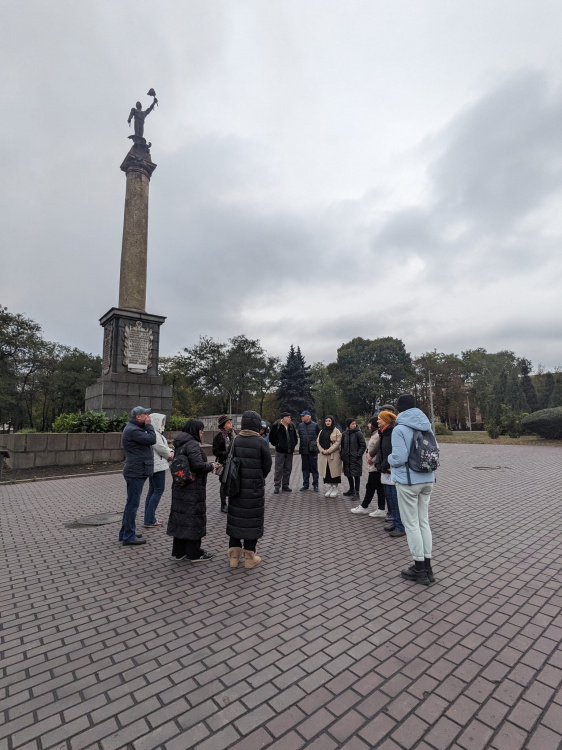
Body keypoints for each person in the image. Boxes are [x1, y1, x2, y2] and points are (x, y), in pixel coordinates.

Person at [388, 394, 437, 586]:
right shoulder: (426, 425)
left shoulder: (400, 429)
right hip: (427, 478)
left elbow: (399, 458)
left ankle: (419, 569)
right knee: (424, 522)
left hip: (409, 482)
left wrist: (389, 460)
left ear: (399, 409)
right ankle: (428, 568)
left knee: (412, 525)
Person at [167, 419, 218, 563]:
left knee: (181, 518)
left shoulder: (180, 443)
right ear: (194, 430)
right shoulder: (193, 444)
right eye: (201, 430)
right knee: (193, 518)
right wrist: (211, 465)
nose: (202, 433)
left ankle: (179, 551)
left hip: (180, 486)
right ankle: (194, 553)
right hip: (193, 488)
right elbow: (198, 465)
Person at [227, 410, 273, 569]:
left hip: (236, 489)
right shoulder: (261, 442)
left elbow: (228, 460)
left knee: (235, 520)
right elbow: (267, 466)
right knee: (252, 522)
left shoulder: (235, 441)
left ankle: (233, 557)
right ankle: (249, 558)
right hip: (254, 490)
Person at [120, 406, 157, 546]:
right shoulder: (134, 430)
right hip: (135, 472)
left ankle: (125, 532)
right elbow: (152, 439)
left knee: (131, 504)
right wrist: (149, 425)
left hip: (136, 471)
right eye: (145, 414)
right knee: (133, 505)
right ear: (138, 417)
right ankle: (128, 536)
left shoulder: (133, 428)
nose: (148, 416)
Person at [375, 410, 406, 538]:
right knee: (390, 498)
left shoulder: (393, 432)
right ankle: (395, 522)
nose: (377, 421)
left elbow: (394, 452)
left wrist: (385, 464)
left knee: (395, 498)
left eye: (379, 419)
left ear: (386, 421)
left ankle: (400, 526)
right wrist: (378, 463)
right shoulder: (383, 433)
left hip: (393, 470)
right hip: (385, 471)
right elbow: (381, 450)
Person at [350, 415, 385, 515]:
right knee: (379, 488)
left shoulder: (378, 436)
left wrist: (371, 459)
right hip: (373, 467)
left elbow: (379, 451)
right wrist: (367, 454)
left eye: (370, 424)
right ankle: (381, 508)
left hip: (375, 467)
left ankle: (364, 506)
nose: (368, 425)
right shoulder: (374, 435)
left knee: (370, 487)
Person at [143, 413, 173, 527]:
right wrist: (170, 454)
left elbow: (163, 447)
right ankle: (149, 519)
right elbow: (161, 448)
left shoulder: (155, 434)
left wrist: (169, 451)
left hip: (155, 465)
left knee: (152, 491)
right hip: (158, 466)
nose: (162, 424)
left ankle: (149, 517)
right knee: (158, 490)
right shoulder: (154, 434)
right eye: (160, 422)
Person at [269, 412, 298, 494]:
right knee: (279, 469)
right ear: (283, 418)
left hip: (289, 451)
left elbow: (295, 437)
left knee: (288, 468)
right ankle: (277, 486)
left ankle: (285, 485)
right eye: (288, 417)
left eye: (290, 417)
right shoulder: (276, 426)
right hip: (280, 451)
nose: (290, 419)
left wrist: (293, 444)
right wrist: (277, 444)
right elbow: (272, 437)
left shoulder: (291, 426)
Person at [212, 415, 236, 513]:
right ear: (223, 425)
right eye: (228, 422)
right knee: (224, 482)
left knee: (234, 481)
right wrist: (225, 454)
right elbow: (215, 451)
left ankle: (233, 503)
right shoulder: (219, 437)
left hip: (234, 462)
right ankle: (223, 504)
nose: (230, 424)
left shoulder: (234, 434)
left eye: (231, 422)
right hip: (224, 462)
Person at [317, 415, 343, 497]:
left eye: (329, 421)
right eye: (326, 421)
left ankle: (335, 488)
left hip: (333, 455)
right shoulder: (322, 431)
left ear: (332, 422)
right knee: (327, 472)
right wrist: (322, 450)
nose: (327, 422)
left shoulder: (336, 431)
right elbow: (318, 441)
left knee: (334, 472)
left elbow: (337, 443)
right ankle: (330, 487)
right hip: (324, 455)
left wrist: (329, 450)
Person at [341, 418, 366, 499]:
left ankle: (357, 492)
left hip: (355, 458)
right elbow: (343, 446)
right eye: (352, 424)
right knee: (348, 474)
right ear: (348, 425)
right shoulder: (345, 434)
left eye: (355, 423)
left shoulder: (358, 433)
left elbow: (363, 445)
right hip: (347, 458)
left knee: (356, 475)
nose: (354, 425)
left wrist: (358, 455)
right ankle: (351, 489)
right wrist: (342, 454)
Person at [297, 410, 321, 492]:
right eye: (301, 416)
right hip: (304, 450)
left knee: (314, 468)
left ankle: (315, 485)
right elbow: (300, 435)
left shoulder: (315, 425)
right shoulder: (300, 426)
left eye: (303, 416)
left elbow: (319, 436)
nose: (302, 417)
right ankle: (305, 484)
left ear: (308, 416)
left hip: (312, 451)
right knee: (305, 468)